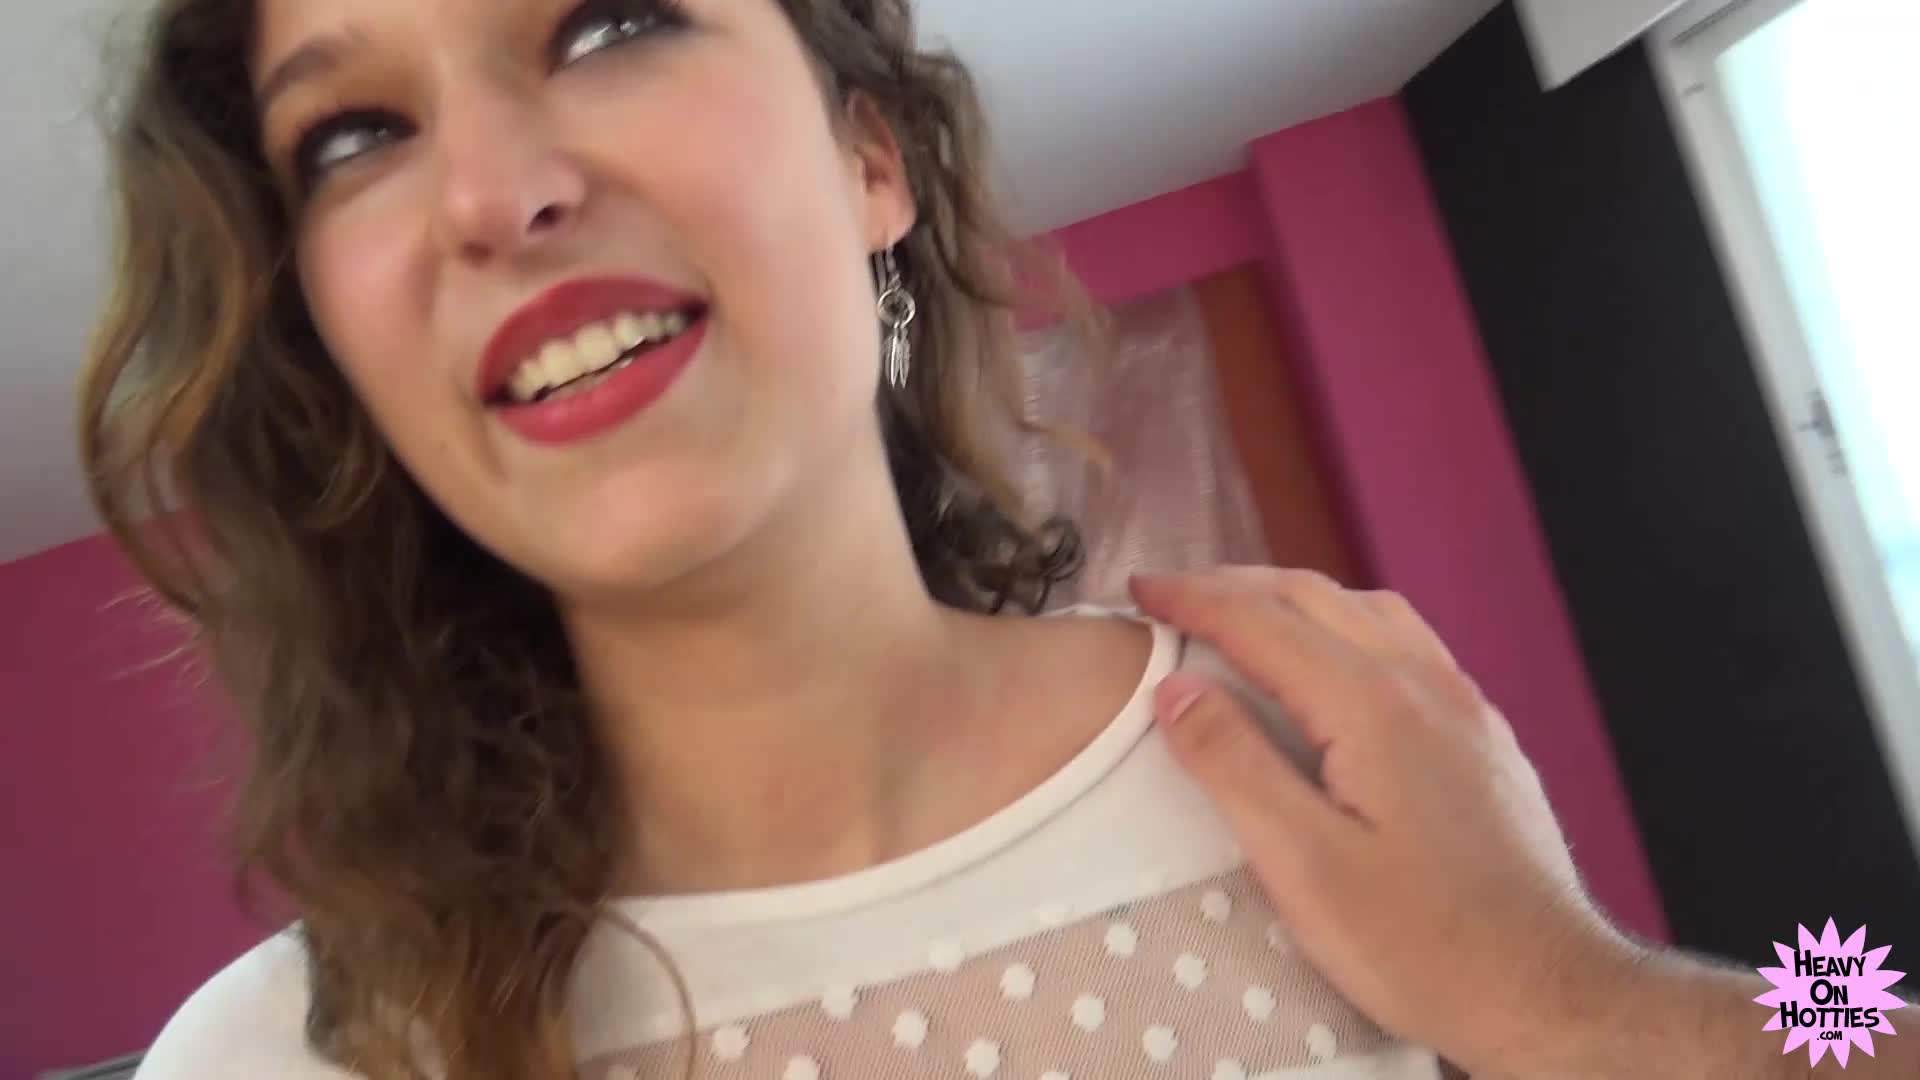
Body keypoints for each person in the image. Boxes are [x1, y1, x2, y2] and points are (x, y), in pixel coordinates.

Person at [78, 1, 1910, 1079]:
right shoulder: (286, 1059)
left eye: (615, 19)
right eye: (353, 135)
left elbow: (1863, 1015)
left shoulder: (1322, 723)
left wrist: (1590, 995)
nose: (492, 192)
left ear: (871, 161)